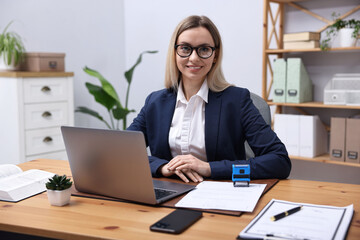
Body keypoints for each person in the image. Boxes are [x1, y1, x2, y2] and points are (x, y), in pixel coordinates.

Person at [127, 15, 291, 183]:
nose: (193, 58)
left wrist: (209, 168)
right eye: (185, 48)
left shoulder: (237, 101)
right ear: (174, 52)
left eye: (204, 49)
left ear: (215, 55)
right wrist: (162, 167)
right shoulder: (155, 102)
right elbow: (123, 152)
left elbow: (279, 162)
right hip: (167, 194)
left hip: (220, 195)